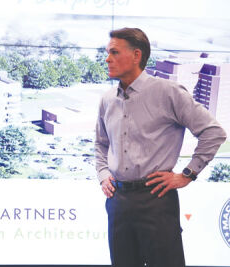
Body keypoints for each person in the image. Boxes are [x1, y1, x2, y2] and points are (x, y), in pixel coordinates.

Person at [95, 28, 227, 267]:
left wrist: (188, 174)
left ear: (136, 55)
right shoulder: (107, 99)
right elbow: (101, 143)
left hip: (156, 198)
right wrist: (104, 174)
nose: (107, 58)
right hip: (118, 200)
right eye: (107, 52)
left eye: (114, 52)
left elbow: (213, 132)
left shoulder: (168, 93)